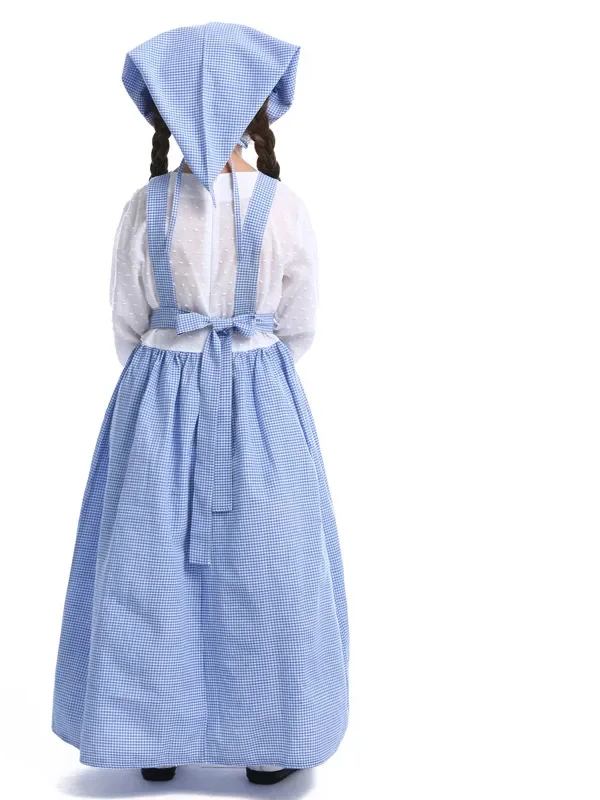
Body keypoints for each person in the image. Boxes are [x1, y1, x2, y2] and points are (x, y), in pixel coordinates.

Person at [52, 22, 349, 786]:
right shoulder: (285, 208)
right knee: (272, 567)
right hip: (261, 398)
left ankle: (150, 731)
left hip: (158, 394)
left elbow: (127, 322)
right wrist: (245, 363)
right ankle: (271, 739)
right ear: (255, 109)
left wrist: (174, 362)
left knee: (147, 563)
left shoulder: (143, 208)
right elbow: (299, 326)